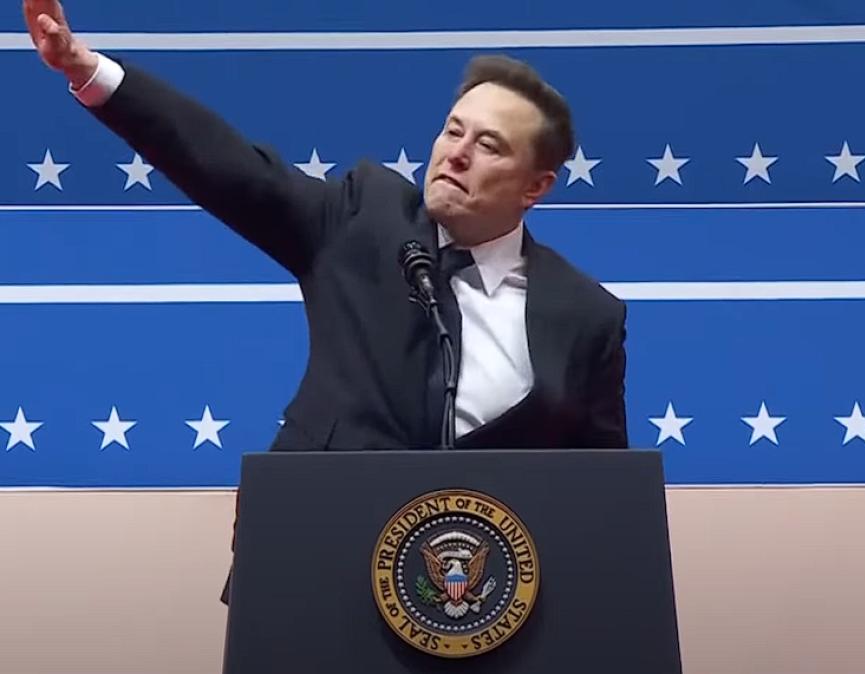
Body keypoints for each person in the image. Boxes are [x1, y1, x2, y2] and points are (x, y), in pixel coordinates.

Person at [24, 0, 629, 601]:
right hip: (314, 552)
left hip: (479, 602)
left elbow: (605, 498)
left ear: (535, 186)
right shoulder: (365, 217)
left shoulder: (585, 316)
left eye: (489, 145)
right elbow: (227, 166)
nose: (457, 154)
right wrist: (87, 70)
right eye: (453, 130)